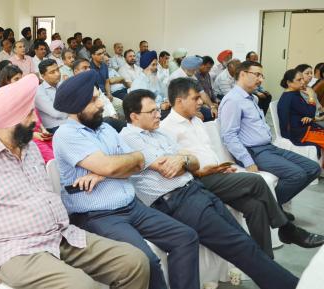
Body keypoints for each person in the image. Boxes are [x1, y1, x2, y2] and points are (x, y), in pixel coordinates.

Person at [0, 73, 150, 289]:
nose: (35, 120)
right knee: (80, 286)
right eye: (28, 115)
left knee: (135, 262)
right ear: (7, 121)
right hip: (15, 251)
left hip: (59, 236)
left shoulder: (29, 146)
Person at [119, 88, 301, 289]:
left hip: (195, 189)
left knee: (244, 242)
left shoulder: (160, 133)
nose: (158, 114)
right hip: (175, 201)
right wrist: (182, 160)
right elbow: (167, 169)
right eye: (151, 111)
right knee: (238, 245)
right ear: (134, 116)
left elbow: (193, 163)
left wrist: (182, 159)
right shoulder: (128, 137)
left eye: (156, 109)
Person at [52, 71, 196, 289]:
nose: (101, 103)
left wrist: (103, 172)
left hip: (132, 207)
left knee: (186, 237)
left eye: (98, 96)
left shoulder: (105, 128)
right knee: (146, 261)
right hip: (98, 216)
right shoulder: (66, 134)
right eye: (93, 100)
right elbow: (118, 164)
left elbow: (139, 161)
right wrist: (113, 166)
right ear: (76, 106)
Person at [161, 78, 324, 258]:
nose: (201, 101)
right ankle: (287, 229)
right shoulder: (167, 128)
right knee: (256, 181)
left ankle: (265, 261)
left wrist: (220, 166)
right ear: (179, 101)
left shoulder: (197, 121)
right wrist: (207, 170)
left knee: (256, 207)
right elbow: (175, 168)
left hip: (217, 173)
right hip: (197, 181)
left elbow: (206, 151)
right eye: (195, 98)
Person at [219, 61, 322, 217]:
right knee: (297, 174)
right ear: (242, 74)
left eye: (262, 75)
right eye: (257, 75)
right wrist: (247, 160)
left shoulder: (251, 98)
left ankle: (270, 206)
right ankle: (270, 209)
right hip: (253, 152)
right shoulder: (232, 100)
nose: (261, 79)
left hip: (268, 147)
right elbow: (229, 135)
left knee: (313, 168)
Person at [278, 68, 324, 154]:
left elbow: (307, 112)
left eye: (302, 78)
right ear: (289, 83)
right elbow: (310, 112)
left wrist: (308, 116)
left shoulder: (294, 93)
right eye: (299, 80)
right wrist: (311, 96)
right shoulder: (291, 97)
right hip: (298, 134)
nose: (303, 82)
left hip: (302, 128)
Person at [74, 59, 126, 132]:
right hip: (93, 121)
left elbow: (105, 100)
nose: (88, 70)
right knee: (118, 125)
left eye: (89, 67)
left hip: (105, 116)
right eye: (85, 68)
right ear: (76, 72)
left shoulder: (93, 82)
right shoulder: (74, 88)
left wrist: (113, 113)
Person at [169, 56, 217, 121]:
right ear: (188, 68)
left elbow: (202, 93)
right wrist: (193, 113)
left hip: (193, 105)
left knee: (212, 114)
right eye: (194, 69)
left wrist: (212, 107)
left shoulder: (192, 76)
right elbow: (177, 101)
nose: (196, 72)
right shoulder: (175, 77)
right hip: (180, 108)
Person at [130, 50, 169, 119]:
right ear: (145, 66)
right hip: (149, 114)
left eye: (156, 64)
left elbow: (164, 92)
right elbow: (141, 105)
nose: (156, 68)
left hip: (162, 109)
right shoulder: (138, 83)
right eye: (153, 65)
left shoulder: (155, 78)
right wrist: (159, 106)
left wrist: (166, 100)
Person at [35, 59, 66, 134]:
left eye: (58, 70)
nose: (57, 74)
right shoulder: (39, 92)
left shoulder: (63, 84)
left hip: (70, 122)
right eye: (52, 72)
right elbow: (56, 113)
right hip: (55, 128)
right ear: (42, 76)